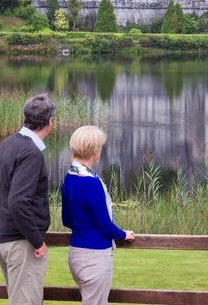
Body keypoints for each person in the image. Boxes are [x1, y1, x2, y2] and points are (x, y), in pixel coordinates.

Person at [0, 93, 57, 305]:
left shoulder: (7, 143)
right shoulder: (31, 153)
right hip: (21, 242)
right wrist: (37, 240)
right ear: (50, 122)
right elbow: (18, 202)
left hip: (2, 238)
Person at [61, 126, 135, 305]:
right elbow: (105, 225)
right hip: (94, 257)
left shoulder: (70, 178)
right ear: (95, 151)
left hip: (76, 255)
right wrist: (124, 234)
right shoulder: (91, 183)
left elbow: (66, 220)